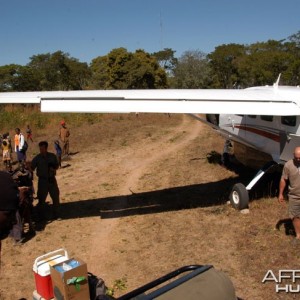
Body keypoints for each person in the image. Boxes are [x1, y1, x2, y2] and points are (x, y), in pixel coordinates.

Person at [31, 141, 60, 220]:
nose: (41, 150)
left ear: (46, 148)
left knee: (55, 197)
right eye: (40, 149)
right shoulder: (37, 158)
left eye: (42, 148)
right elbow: (31, 167)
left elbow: (57, 166)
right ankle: (41, 216)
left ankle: (56, 215)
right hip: (42, 181)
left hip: (51, 180)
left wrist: (53, 168)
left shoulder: (52, 156)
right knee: (41, 199)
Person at [278, 146, 300, 243]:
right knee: (295, 216)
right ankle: (298, 236)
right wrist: (280, 194)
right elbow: (283, 179)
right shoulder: (288, 165)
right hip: (294, 196)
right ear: (293, 155)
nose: (298, 160)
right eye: (296, 158)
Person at [0, 171, 20, 261]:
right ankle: (16, 237)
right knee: (16, 213)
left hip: (4, 207)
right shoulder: (6, 174)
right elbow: (15, 188)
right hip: (11, 205)